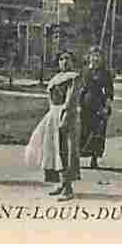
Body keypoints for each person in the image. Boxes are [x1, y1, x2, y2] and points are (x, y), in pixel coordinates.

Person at [25, 51, 81, 201]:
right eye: (61, 59)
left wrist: (65, 116)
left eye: (67, 59)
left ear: (73, 61)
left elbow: (71, 99)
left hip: (66, 114)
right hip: (53, 114)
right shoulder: (56, 78)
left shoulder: (74, 77)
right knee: (52, 149)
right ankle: (61, 183)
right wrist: (51, 114)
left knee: (65, 150)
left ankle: (68, 188)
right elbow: (50, 99)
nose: (64, 62)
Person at [78, 46, 114, 169]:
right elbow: (80, 89)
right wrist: (78, 104)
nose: (96, 58)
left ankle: (94, 158)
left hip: (99, 105)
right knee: (83, 131)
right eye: (93, 56)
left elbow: (109, 91)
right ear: (89, 57)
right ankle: (78, 157)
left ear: (102, 58)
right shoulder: (84, 71)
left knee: (97, 132)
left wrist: (106, 106)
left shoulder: (105, 73)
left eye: (98, 56)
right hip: (85, 104)